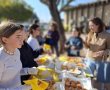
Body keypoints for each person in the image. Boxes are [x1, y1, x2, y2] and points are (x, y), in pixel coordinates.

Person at [0, 21, 38, 89]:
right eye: (18, 37)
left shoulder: (17, 52)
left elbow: (15, 72)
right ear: (5, 39)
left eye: (21, 36)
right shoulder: (1, 58)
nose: (22, 40)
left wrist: (28, 70)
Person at [85, 17, 110, 90]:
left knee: (100, 81)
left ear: (98, 25)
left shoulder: (107, 36)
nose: (90, 27)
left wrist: (104, 52)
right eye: (89, 25)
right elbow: (88, 47)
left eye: (92, 25)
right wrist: (85, 43)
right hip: (89, 59)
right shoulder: (90, 33)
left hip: (101, 61)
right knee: (87, 78)